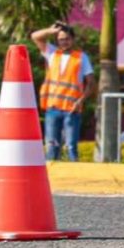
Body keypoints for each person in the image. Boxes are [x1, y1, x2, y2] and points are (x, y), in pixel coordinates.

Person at [30, 20, 95, 162]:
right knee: (51, 146)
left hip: (72, 109)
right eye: (60, 40)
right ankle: (51, 179)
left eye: (66, 39)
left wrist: (80, 101)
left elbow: (91, 83)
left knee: (71, 147)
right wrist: (51, 31)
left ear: (72, 39)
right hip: (53, 108)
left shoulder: (81, 57)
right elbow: (35, 36)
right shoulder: (52, 53)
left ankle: (74, 180)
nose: (63, 42)